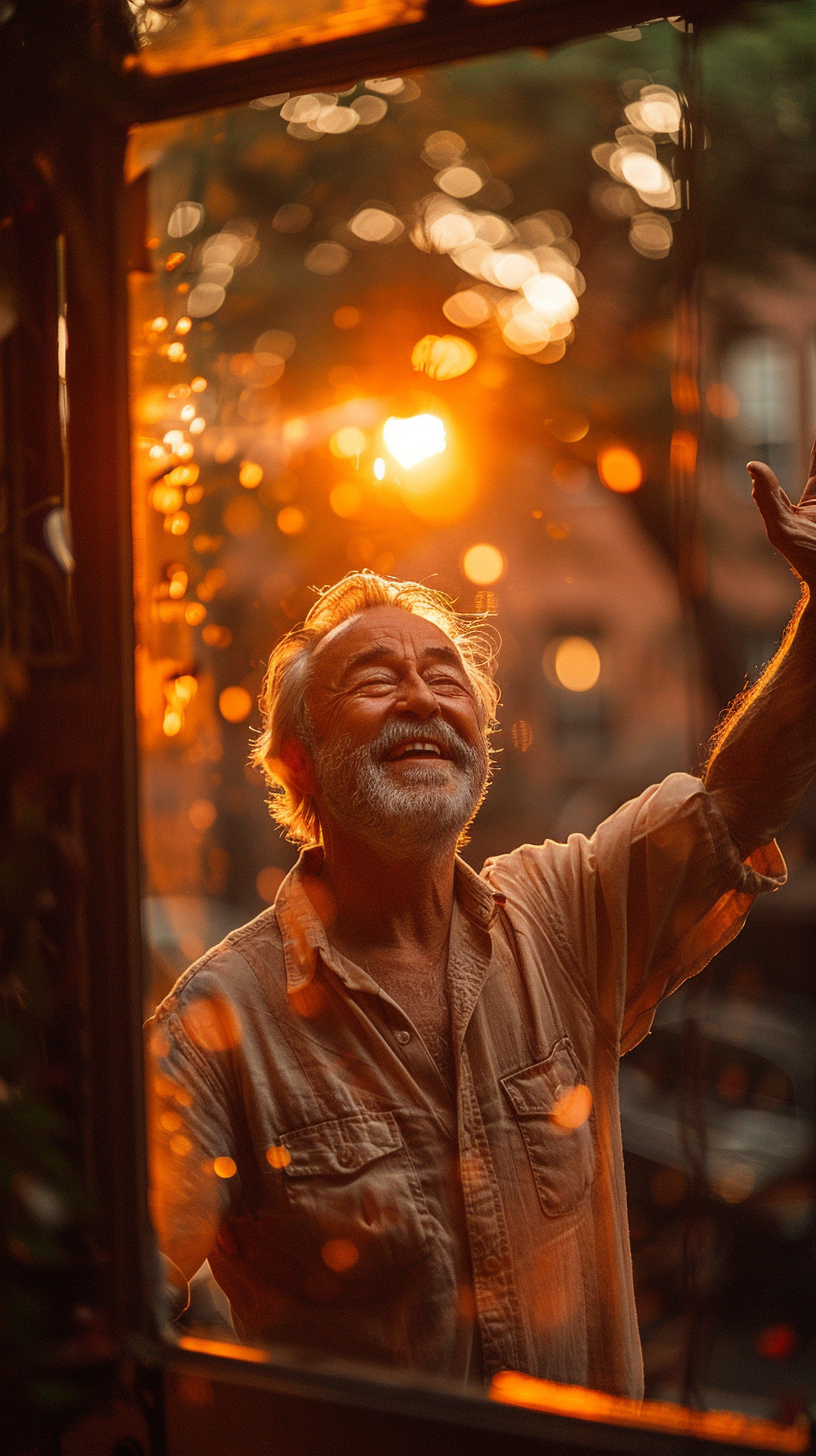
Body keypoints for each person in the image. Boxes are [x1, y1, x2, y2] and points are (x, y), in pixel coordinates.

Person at [147, 452, 816, 1397]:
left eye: (445, 677)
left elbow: (736, 805)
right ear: (298, 766)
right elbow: (105, 1306)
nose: (421, 697)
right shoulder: (218, 1025)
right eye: (374, 680)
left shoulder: (563, 916)